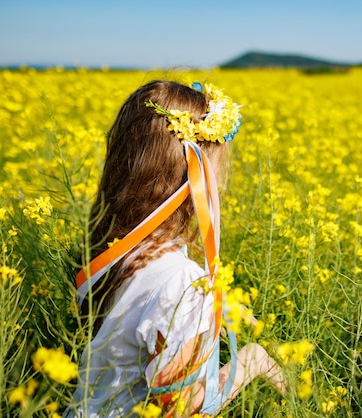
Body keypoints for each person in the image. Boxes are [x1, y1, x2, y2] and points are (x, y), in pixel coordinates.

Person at [65, 80, 287, 417]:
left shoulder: (114, 245)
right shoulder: (179, 281)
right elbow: (179, 409)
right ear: (196, 178)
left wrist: (212, 302)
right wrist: (249, 362)